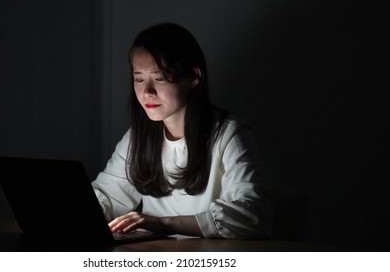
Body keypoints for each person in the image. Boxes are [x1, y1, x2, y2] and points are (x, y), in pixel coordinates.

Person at [91, 22, 272, 239]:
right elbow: (106, 196)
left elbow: (253, 215)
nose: (147, 92)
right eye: (139, 79)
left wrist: (165, 224)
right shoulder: (138, 138)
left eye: (160, 78)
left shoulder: (228, 133)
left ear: (194, 77)